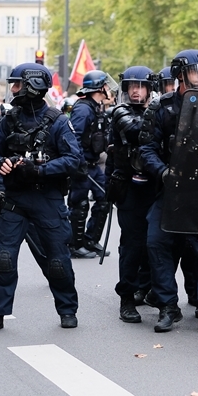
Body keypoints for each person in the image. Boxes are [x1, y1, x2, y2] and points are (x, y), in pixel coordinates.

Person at [0, 63, 82, 334]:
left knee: (57, 260)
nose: (13, 89)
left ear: (32, 85)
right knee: (4, 258)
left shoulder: (58, 121)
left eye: (17, 84)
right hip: (16, 200)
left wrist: (40, 169)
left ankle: (67, 309)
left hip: (48, 199)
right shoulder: (9, 119)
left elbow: (73, 160)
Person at [140, 49, 198, 336]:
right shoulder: (161, 108)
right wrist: (164, 172)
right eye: (193, 72)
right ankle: (167, 306)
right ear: (179, 75)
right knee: (156, 242)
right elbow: (147, 149)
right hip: (174, 190)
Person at [106, 66, 160, 323]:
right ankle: (126, 297)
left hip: (154, 185)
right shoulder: (121, 112)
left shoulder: (157, 110)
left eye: (141, 86)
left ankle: (147, 288)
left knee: (156, 243)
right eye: (131, 87)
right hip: (129, 187)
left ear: (149, 88)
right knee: (132, 245)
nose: (136, 91)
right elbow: (137, 132)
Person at [67, 70, 114, 259]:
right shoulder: (83, 109)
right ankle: (74, 245)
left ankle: (90, 240)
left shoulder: (96, 108)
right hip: (83, 165)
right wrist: (79, 164)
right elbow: (74, 138)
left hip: (94, 165)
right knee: (80, 204)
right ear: (99, 87)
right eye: (106, 85)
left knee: (104, 200)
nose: (108, 88)